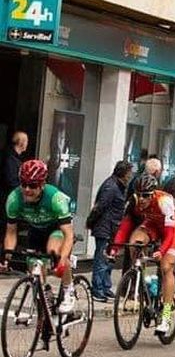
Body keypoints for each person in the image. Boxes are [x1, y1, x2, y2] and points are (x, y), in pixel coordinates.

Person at [111, 174, 175, 334]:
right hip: (152, 224)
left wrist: (161, 251)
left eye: (146, 195)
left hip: (172, 229)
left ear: (153, 194)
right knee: (134, 242)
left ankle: (166, 316)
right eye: (139, 195)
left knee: (166, 266)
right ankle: (139, 276)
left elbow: (170, 233)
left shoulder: (164, 201)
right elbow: (125, 225)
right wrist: (114, 248)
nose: (142, 199)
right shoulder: (134, 202)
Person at [1, 160, 76, 313]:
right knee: (34, 265)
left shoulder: (55, 198)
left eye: (33, 185)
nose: (27, 189)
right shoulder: (14, 199)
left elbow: (68, 235)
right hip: (36, 229)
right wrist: (7, 257)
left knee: (53, 251)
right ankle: (45, 296)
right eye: (23, 184)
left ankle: (69, 290)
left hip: (57, 228)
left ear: (42, 184)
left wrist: (62, 260)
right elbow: (11, 232)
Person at [90, 160, 133, 302]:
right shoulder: (111, 187)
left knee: (109, 260)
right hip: (105, 228)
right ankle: (97, 289)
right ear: (123, 174)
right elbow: (100, 207)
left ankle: (105, 287)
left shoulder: (118, 186)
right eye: (129, 173)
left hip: (112, 228)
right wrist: (91, 222)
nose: (130, 176)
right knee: (101, 259)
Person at [0, 131, 28, 242]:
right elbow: (11, 181)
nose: (27, 144)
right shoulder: (10, 159)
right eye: (26, 141)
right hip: (6, 200)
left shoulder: (13, 158)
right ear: (21, 143)